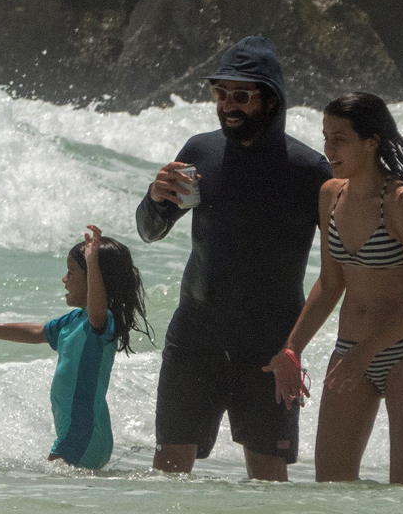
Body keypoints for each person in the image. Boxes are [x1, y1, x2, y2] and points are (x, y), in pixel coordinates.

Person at [135, 35, 329, 481]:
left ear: (270, 99)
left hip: (269, 346)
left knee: (268, 485)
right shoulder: (200, 152)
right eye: (220, 94)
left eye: (241, 95)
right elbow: (150, 231)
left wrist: (296, 347)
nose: (227, 105)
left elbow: (343, 265)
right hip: (195, 335)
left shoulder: (308, 170)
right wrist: (154, 197)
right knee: (168, 478)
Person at [267, 93, 403, 485]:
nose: (328, 148)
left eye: (340, 138)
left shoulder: (401, 201)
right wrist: (291, 348)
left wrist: (370, 351)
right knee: (332, 486)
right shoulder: (330, 194)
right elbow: (331, 282)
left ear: (371, 142)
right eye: (325, 137)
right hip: (350, 350)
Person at [0, 225, 149, 470]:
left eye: (72, 273)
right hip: (82, 435)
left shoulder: (100, 323)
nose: (65, 279)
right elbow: (35, 332)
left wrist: (92, 262)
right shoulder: (74, 322)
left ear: (95, 280)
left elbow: (97, 311)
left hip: (82, 437)